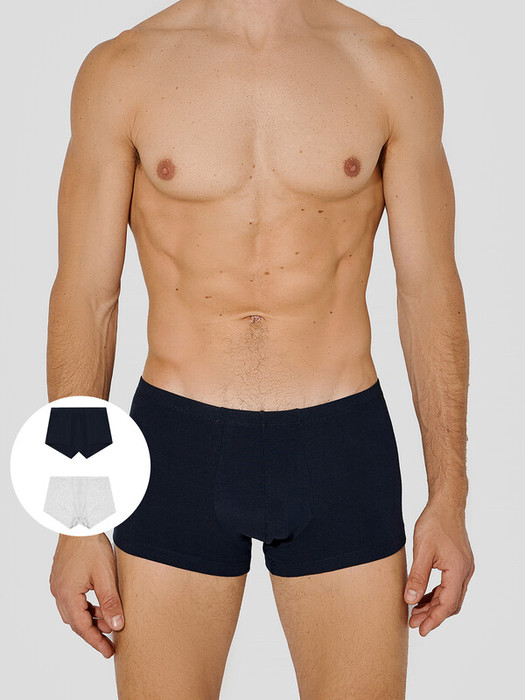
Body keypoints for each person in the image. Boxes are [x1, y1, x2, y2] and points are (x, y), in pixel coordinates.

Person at [47, 1, 475, 697]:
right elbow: (85, 297)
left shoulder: (389, 67)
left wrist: (449, 497)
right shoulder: (123, 70)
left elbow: (429, 291)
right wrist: (74, 511)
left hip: (340, 445)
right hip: (175, 447)